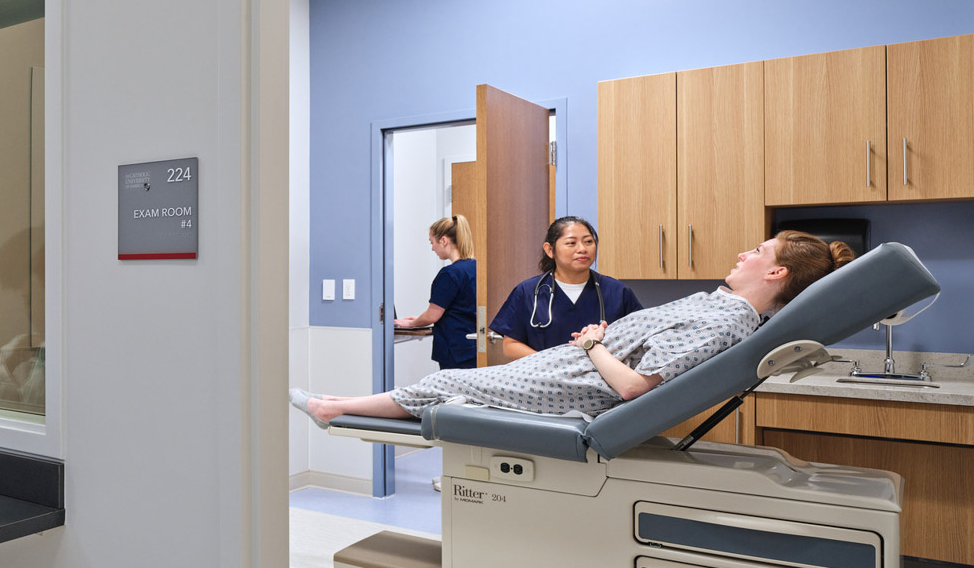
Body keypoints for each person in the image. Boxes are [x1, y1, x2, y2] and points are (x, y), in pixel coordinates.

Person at [293, 232, 855, 425]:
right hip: (566, 368)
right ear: (551, 250)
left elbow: (637, 386)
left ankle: (332, 408)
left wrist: (591, 344)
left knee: (446, 388)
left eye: (756, 251)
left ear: (776, 271)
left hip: (575, 383)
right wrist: (602, 344)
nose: (742, 253)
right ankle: (334, 403)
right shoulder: (722, 307)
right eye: (571, 242)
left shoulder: (726, 317)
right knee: (450, 388)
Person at [490, 216, 644, 362]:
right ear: (550, 250)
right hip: (544, 380)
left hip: (600, 382)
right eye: (571, 243)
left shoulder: (617, 291)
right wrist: (555, 364)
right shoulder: (528, 291)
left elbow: (639, 338)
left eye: (588, 241)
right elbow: (510, 346)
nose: (582, 249)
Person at [392, 215, 478, 370]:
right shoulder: (476, 268)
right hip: (473, 348)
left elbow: (433, 315)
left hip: (456, 349)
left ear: (444, 240)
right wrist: (419, 318)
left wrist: (411, 323)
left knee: (452, 392)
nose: (432, 248)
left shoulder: (450, 274)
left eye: (432, 242)